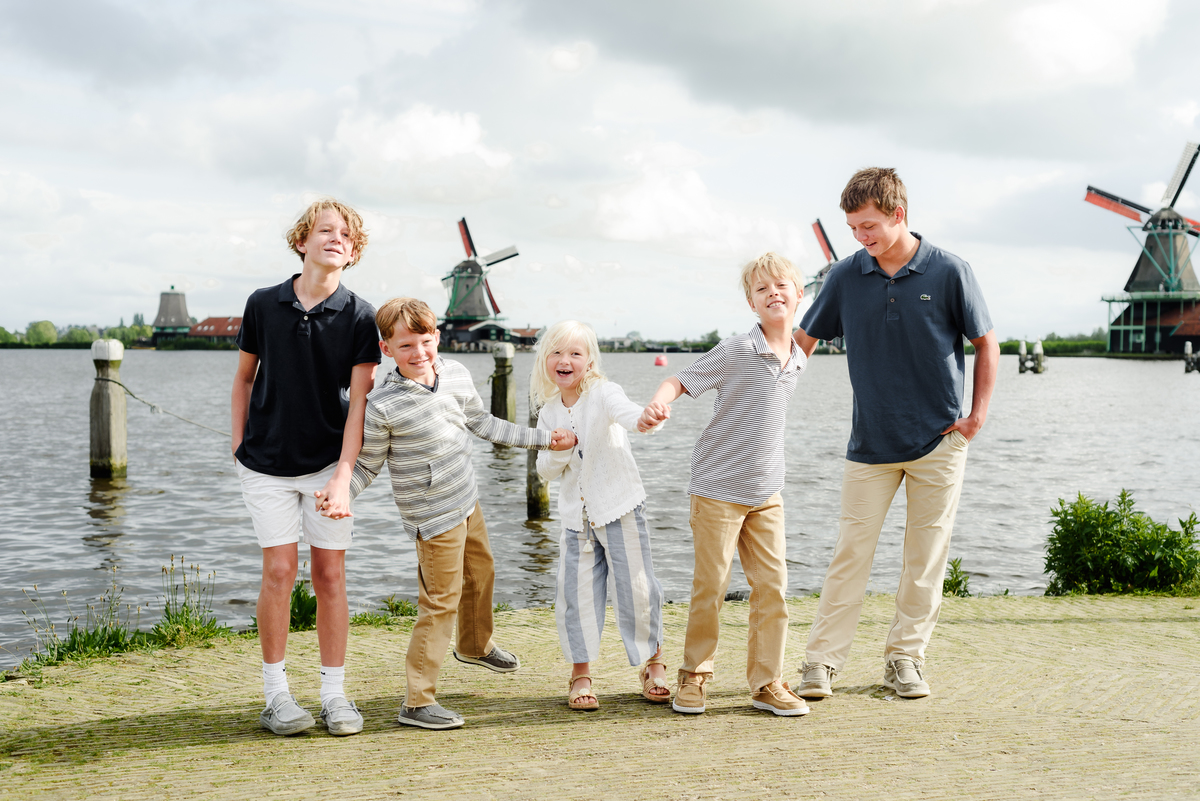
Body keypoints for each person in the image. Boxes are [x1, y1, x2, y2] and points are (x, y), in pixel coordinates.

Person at [792, 167, 999, 700]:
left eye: (869, 226)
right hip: (869, 446)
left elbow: (986, 343)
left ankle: (905, 658)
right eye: (854, 229)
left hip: (940, 441)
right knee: (850, 554)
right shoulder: (844, 276)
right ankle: (820, 663)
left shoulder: (951, 271)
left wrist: (976, 418)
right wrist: (756, 384)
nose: (861, 238)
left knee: (925, 558)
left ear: (898, 214)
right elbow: (801, 344)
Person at [347, 298, 576, 730]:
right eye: (406, 345)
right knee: (439, 602)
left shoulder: (455, 374)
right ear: (386, 349)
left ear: (437, 338)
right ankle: (417, 701)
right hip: (431, 517)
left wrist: (545, 439)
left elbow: (486, 424)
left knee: (482, 573)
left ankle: (474, 645)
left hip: (467, 500)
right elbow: (368, 463)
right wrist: (343, 495)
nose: (419, 353)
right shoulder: (382, 405)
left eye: (425, 341)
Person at [231, 199, 381, 736]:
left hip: (327, 465)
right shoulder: (262, 304)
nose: (334, 238)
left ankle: (334, 696)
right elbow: (245, 379)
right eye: (324, 231)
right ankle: (276, 696)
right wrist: (237, 445)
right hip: (264, 464)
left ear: (353, 251)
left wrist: (344, 473)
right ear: (303, 241)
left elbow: (359, 404)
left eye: (345, 234)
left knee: (330, 575)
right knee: (277, 572)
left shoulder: (362, 317)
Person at [638, 253, 810, 717]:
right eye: (761, 289)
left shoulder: (798, 358)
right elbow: (680, 379)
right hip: (717, 488)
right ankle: (693, 676)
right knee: (711, 586)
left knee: (773, 587)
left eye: (781, 285)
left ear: (799, 294)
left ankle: (767, 682)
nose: (773, 292)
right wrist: (659, 403)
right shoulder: (736, 349)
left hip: (767, 491)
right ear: (751, 304)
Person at [532, 320, 668, 711]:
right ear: (545, 361)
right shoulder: (548, 412)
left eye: (575, 353)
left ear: (589, 361)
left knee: (638, 589)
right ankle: (581, 673)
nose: (565, 360)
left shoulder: (605, 392)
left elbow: (628, 415)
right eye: (557, 353)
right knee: (575, 596)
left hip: (619, 507)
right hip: (577, 520)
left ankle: (653, 663)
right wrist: (559, 449)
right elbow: (544, 469)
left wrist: (646, 419)